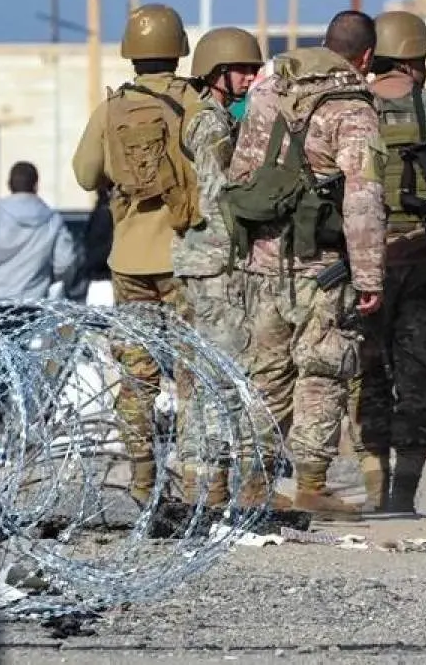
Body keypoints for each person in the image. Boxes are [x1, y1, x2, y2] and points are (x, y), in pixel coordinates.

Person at [223, 10, 387, 520]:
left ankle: (255, 482)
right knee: (322, 369)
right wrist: (369, 276)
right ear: (364, 57)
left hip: (262, 258)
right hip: (321, 264)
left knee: (266, 372)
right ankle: (312, 484)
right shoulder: (353, 106)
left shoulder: (270, 90)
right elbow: (363, 198)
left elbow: (242, 170)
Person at [72, 3, 200, 502]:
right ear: (179, 48)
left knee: (136, 373)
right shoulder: (196, 104)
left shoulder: (111, 109)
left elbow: (85, 176)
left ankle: (143, 481)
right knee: (194, 372)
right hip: (186, 258)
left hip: (129, 262)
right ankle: (195, 482)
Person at [350, 10, 426, 514]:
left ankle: (376, 492)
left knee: (368, 376)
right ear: (417, 59)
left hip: (364, 265)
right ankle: (404, 494)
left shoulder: (353, 108)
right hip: (424, 263)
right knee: (418, 378)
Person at [173, 27, 265, 508]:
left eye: (253, 69)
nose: (250, 78)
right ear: (216, 74)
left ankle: (206, 483)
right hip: (216, 263)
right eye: (242, 70)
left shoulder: (213, 117)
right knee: (220, 374)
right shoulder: (209, 123)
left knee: (209, 374)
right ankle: (209, 486)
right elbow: (217, 191)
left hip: (207, 259)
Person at [0, 161, 77, 300]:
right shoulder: (53, 220)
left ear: (9, 184)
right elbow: (64, 263)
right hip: (33, 302)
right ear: (36, 185)